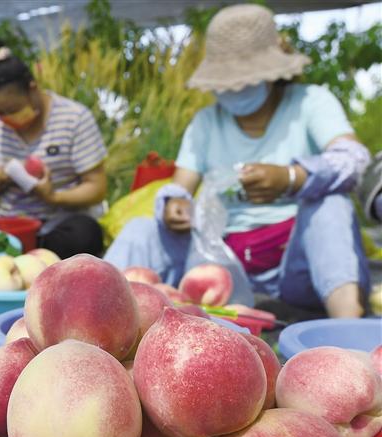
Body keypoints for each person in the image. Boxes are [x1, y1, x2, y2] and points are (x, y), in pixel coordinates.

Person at [104, 4, 371, 318]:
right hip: (223, 263)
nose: (237, 89)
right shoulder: (206, 123)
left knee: (331, 205)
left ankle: (349, 330)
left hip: (298, 266)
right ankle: (100, 315)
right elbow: (181, 188)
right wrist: (175, 205)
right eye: (229, 82)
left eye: (246, 79)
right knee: (141, 229)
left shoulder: (310, 103)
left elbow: (355, 161)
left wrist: (291, 178)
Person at [0, 40, 108, 259]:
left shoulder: (74, 118)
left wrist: (54, 197)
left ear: (33, 88)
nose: (6, 118)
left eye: (12, 110)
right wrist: (0, 176)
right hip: (12, 224)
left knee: (84, 235)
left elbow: (97, 186)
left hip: (59, 223)